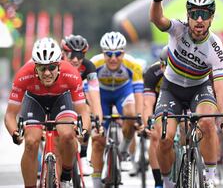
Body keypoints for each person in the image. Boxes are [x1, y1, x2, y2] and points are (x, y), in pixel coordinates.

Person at [150, 0, 223, 187]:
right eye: (195, 14)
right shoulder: (178, 29)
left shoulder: (216, 47)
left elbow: (220, 88)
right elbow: (157, 20)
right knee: (165, 138)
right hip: (171, 89)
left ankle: (210, 178)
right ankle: (168, 182)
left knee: (207, 123)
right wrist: (156, 0)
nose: (199, 20)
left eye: (204, 14)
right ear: (188, 16)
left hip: (199, 88)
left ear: (211, 18)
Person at [4, 37, 90, 188]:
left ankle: (66, 174)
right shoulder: (23, 75)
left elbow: (83, 110)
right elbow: (10, 115)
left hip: (61, 99)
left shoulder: (71, 74)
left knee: (68, 135)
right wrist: (15, 133)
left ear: (59, 65)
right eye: (42, 68)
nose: (47, 73)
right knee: (31, 142)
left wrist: (83, 129)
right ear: (35, 67)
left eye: (51, 67)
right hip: (34, 100)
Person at [90, 31, 144, 187]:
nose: (113, 58)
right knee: (98, 139)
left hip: (123, 92)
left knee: (131, 115)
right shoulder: (94, 64)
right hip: (102, 95)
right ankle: (96, 183)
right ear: (103, 53)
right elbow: (89, 94)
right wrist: (94, 117)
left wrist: (139, 117)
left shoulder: (133, 65)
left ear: (124, 53)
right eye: (109, 54)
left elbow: (138, 93)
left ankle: (124, 150)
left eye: (118, 54)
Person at [61, 34, 103, 176]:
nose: (75, 60)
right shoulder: (56, 63)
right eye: (71, 55)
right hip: (57, 96)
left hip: (76, 95)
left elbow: (94, 94)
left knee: (88, 113)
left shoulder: (89, 66)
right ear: (63, 53)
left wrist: (98, 120)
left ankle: (84, 156)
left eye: (79, 56)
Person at [143, 46, 168, 188]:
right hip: (157, 101)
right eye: (165, 66)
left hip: (179, 99)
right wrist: (149, 122)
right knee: (155, 135)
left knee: (186, 126)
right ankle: (159, 182)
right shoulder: (153, 72)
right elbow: (147, 103)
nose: (167, 70)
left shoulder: (184, 71)